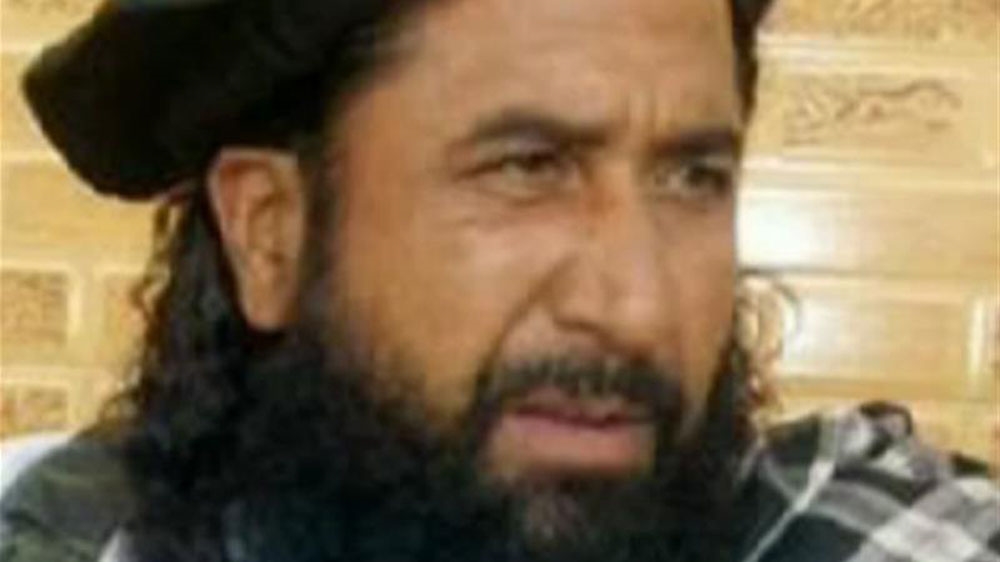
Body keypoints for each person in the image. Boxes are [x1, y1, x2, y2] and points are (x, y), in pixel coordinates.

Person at [1, 0, 998, 561]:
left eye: (694, 178)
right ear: (271, 234)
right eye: (528, 167)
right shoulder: (66, 534)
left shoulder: (830, 527)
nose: (638, 307)